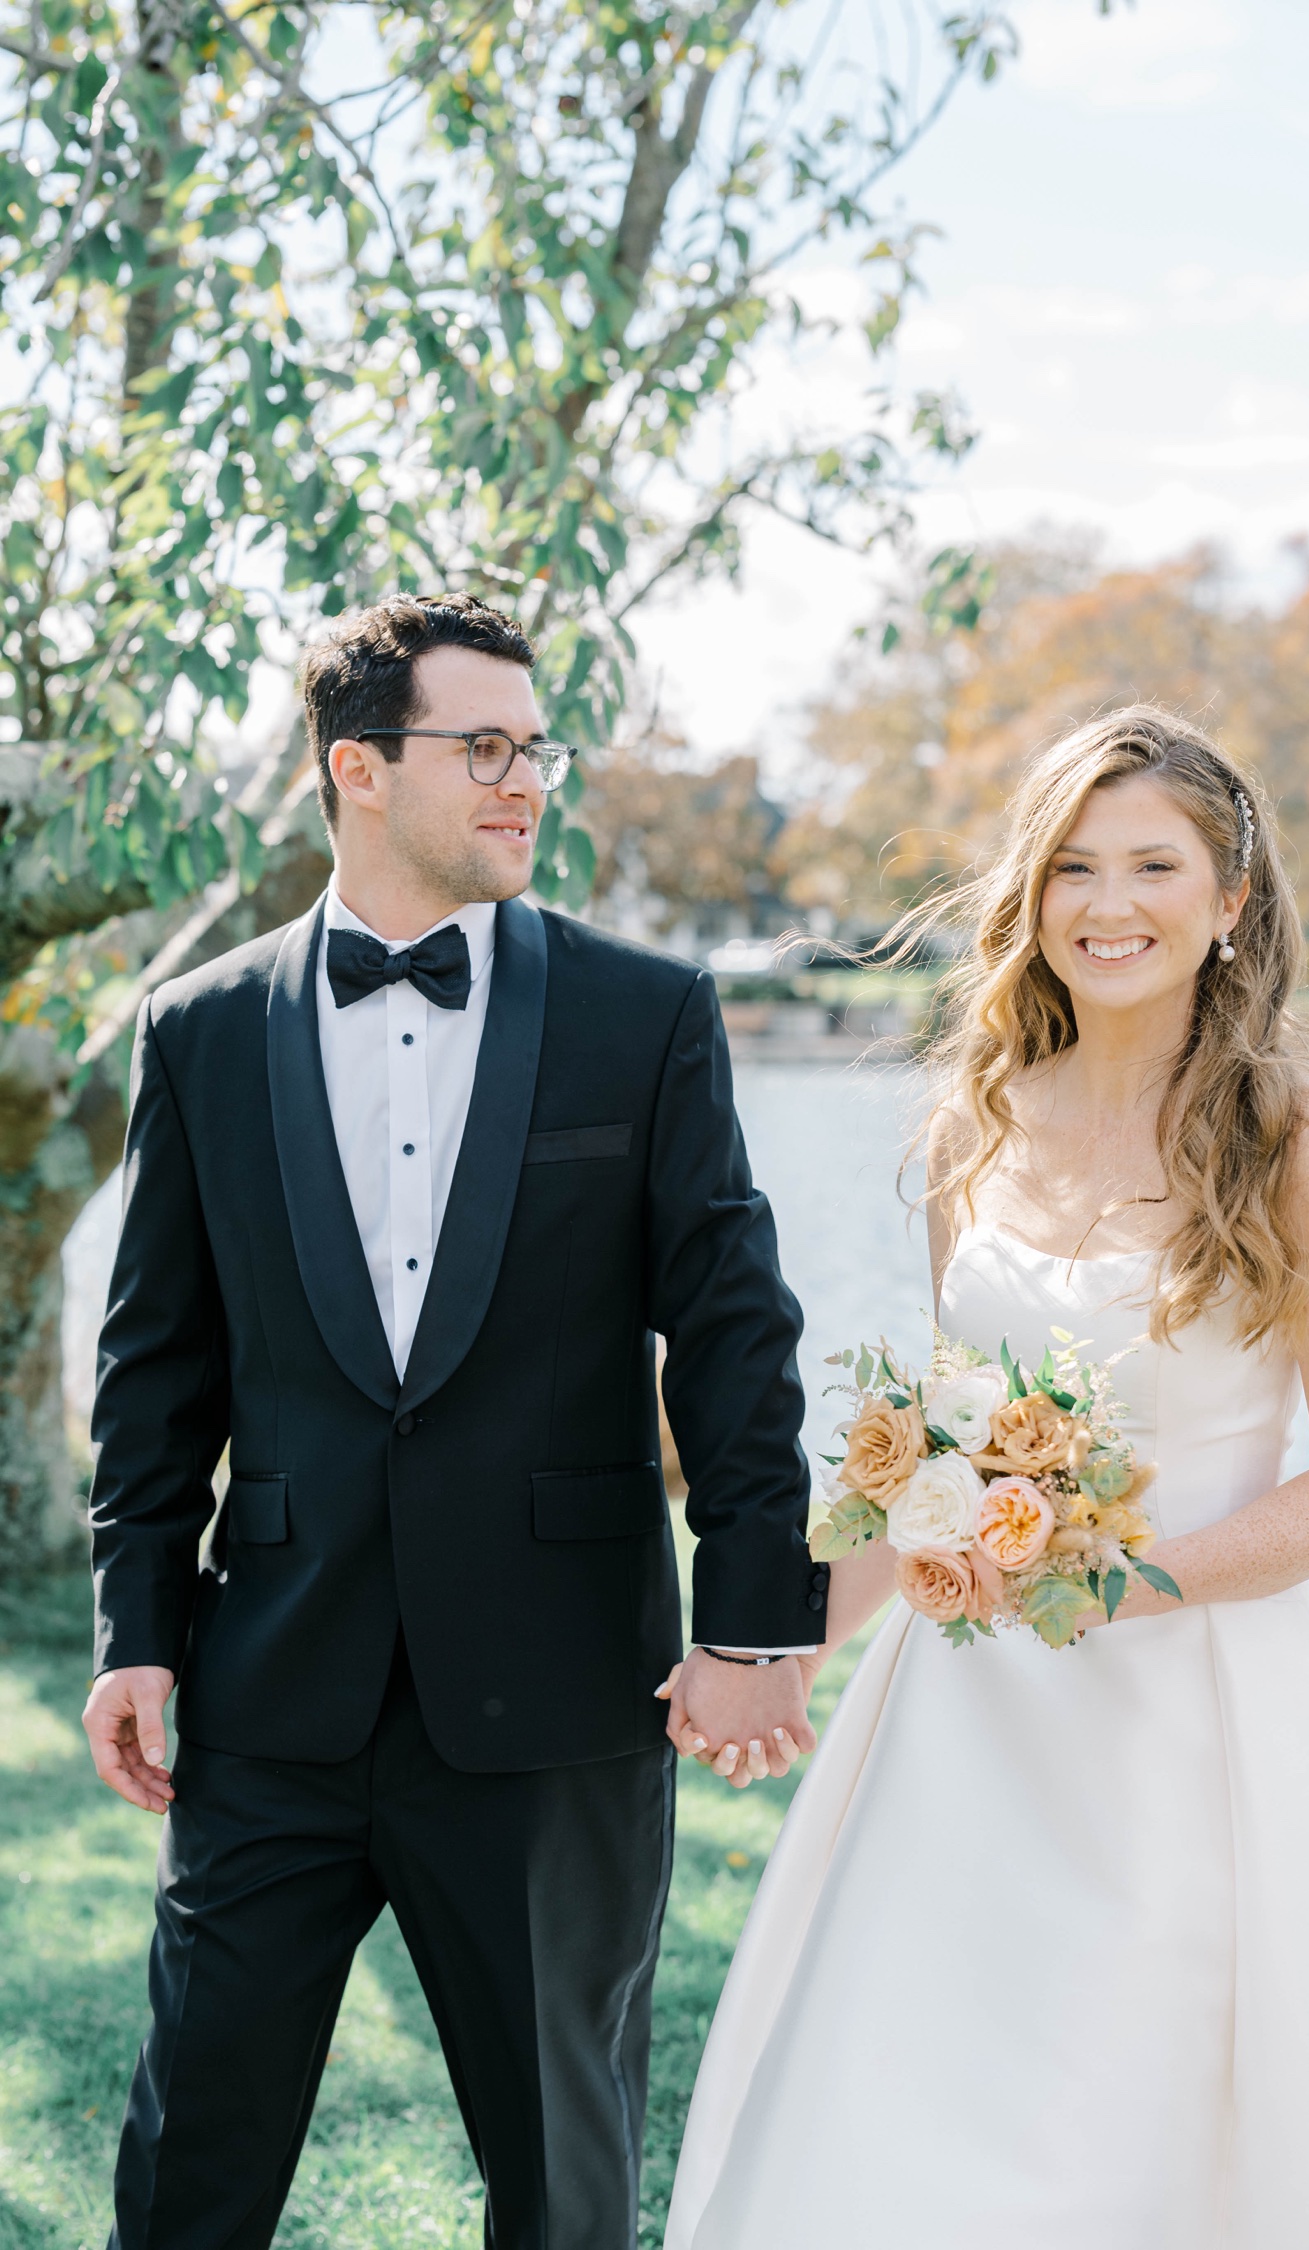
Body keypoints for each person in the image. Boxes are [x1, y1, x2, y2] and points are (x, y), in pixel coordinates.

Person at [665, 705, 1309, 2250]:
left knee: (1158, 2115)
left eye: (1153, 865)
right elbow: (947, 1457)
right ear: (1031, 895)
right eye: (1072, 866)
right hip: (969, 1711)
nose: (1108, 905)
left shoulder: (1306, 1147)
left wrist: (1123, 1586)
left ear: (1231, 898)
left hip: (1202, 1717)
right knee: (927, 2096)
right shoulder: (977, 1124)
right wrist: (779, 1648)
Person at [81, 590, 830, 2250]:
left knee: (564, 2183)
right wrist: (135, 1627)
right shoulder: (199, 1030)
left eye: (535, 745)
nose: (525, 780)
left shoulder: (647, 1015)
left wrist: (757, 1620)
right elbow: (156, 1370)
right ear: (356, 767)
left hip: (560, 1692)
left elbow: (731, 1329)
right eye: (480, 745)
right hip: (268, 1688)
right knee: (188, 2160)